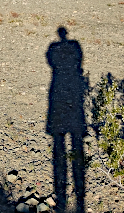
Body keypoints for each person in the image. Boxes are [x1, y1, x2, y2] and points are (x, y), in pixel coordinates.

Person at [46, 26, 86, 213]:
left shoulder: (54, 48)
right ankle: (78, 197)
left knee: (59, 143)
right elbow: (79, 59)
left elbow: (50, 60)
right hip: (71, 84)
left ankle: (64, 194)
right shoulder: (74, 46)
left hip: (59, 82)